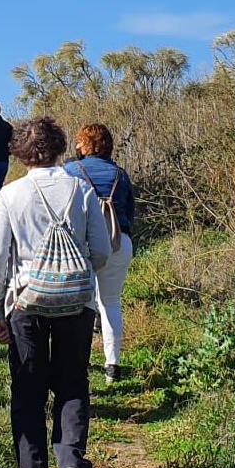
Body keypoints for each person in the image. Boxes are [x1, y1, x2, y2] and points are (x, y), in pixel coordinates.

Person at [0, 118, 111, 468]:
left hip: (26, 303)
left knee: (27, 393)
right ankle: (71, 457)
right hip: (76, 303)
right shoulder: (81, 188)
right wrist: (79, 275)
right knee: (72, 381)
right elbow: (102, 251)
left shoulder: (10, 195)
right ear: (59, 147)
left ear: (19, 151)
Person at [63, 124, 136, 386]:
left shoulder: (71, 171)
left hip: (83, 246)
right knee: (111, 303)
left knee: (82, 304)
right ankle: (112, 365)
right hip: (119, 242)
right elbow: (130, 212)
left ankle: (77, 362)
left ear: (85, 144)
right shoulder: (120, 174)